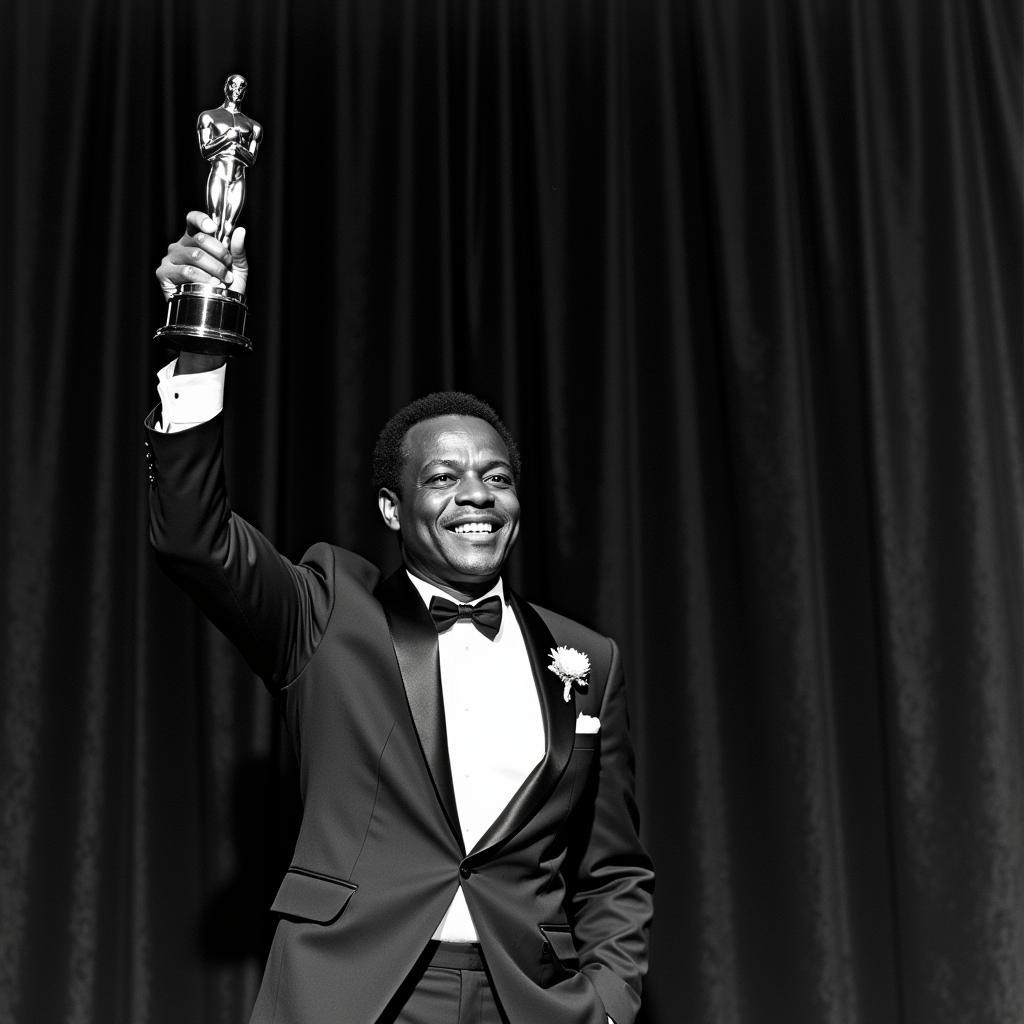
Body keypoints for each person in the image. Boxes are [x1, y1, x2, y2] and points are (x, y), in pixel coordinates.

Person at [148, 212, 654, 1024]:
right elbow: (194, 537)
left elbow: (614, 869)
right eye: (444, 478)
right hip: (357, 995)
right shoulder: (326, 612)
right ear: (392, 506)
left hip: (530, 1002)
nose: (476, 496)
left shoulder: (586, 657)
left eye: (495, 476)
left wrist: (607, 1003)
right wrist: (202, 334)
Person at [197, 75, 263, 245]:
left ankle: (222, 269)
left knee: (228, 228)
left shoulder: (253, 126)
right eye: (233, 85)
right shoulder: (208, 116)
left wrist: (237, 148)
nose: (237, 90)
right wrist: (227, 138)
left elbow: (251, 159)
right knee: (214, 223)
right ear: (226, 86)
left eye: (241, 87)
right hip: (219, 174)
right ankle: (210, 266)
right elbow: (205, 151)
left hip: (238, 178)